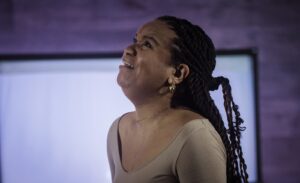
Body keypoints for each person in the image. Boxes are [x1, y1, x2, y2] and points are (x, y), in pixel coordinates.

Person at [107, 15, 248, 183]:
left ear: (177, 73)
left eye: (147, 44)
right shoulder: (117, 129)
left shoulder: (195, 136)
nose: (128, 49)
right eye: (135, 40)